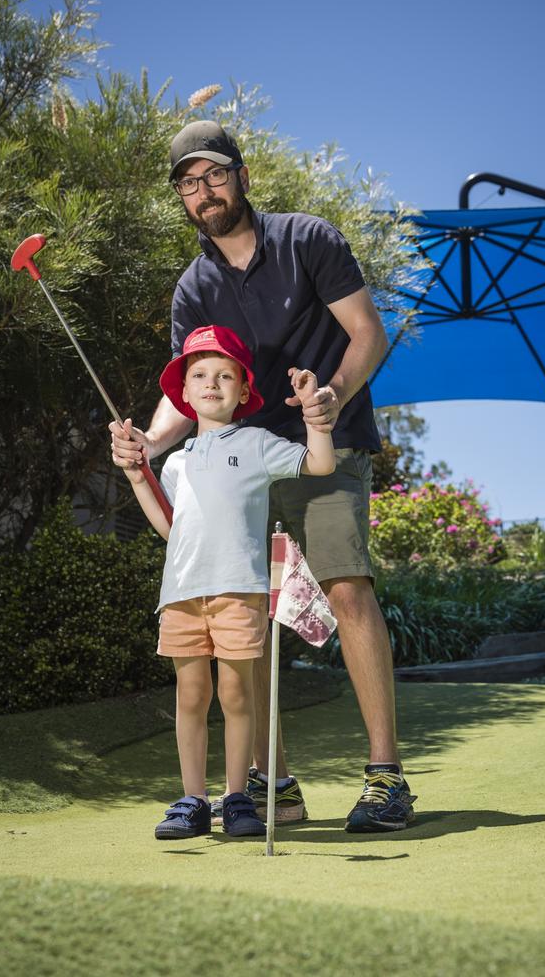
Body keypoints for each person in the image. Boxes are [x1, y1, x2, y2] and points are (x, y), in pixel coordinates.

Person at [111, 119, 416, 833]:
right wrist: (147, 446)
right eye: (188, 182)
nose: (203, 191)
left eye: (213, 174)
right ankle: (277, 785)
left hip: (322, 442)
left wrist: (331, 397)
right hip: (240, 462)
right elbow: (188, 391)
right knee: (243, 615)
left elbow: (367, 332)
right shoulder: (194, 287)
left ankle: (386, 778)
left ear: (241, 176)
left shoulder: (307, 239)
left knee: (345, 587)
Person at [120, 323, 335, 839]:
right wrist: (135, 476)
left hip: (240, 588)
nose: (211, 383)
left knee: (238, 696)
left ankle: (238, 797)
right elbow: (172, 527)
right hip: (182, 593)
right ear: (184, 391)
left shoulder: (258, 443)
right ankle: (192, 800)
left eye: (224, 375)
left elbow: (321, 463)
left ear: (243, 391)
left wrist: (314, 418)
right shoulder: (175, 462)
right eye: (199, 374)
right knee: (191, 696)